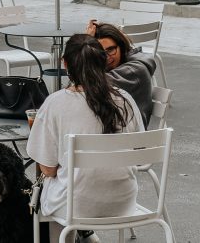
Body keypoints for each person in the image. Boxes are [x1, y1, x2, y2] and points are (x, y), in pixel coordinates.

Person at [27, 34, 144, 241]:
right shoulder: (125, 99)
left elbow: (48, 169)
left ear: (65, 63)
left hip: (76, 206)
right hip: (123, 201)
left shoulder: (55, 104)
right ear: (103, 61)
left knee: (58, 191)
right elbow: (140, 155)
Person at [87, 20, 156, 127]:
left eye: (110, 50)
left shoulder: (134, 70)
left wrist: (85, 50)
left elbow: (89, 84)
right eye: (100, 53)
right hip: (107, 130)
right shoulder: (107, 67)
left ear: (122, 46)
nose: (107, 57)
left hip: (127, 137)